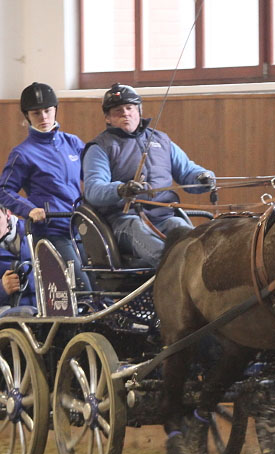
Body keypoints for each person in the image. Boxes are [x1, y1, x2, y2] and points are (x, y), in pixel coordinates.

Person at [82, 83, 216, 268]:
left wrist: (203, 178)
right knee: (139, 231)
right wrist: (121, 189)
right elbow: (93, 189)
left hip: (165, 215)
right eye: (118, 110)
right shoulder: (99, 148)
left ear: (139, 110)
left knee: (183, 230)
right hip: (124, 221)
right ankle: (174, 273)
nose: (125, 113)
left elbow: (187, 171)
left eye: (130, 108)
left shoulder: (162, 140)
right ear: (108, 118)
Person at [0, 82, 91, 291]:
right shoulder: (22, 153)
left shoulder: (73, 143)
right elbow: (3, 190)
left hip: (81, 228)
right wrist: (29, 209)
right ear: (27, 116)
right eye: (36, 113)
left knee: (100, 282)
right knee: (83, 288)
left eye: (47, 111)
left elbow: (94, 177)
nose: (43, 118)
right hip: (51, 231)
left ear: (55, 110)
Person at [0, 206, 36, 311]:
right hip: (8, 312)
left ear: (8, 214)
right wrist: (2, 288)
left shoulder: (35, 231)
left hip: (46, 306)